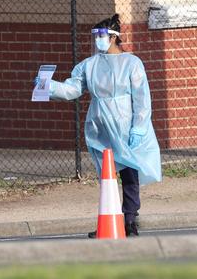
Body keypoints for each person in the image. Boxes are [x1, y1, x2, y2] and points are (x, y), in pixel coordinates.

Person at [38, 14, 161, 237]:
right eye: (95, 36)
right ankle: (110, 218)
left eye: (101, 36)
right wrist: (49, 86)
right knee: (108, 173)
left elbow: (142, 97)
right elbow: (72, 89)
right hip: (100, 125)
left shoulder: (132, 63)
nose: (97, 40)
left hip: (125, 123)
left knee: (130, 172)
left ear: (114, 37)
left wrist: (139, 126)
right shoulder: (89, 65)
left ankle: (130, 219)